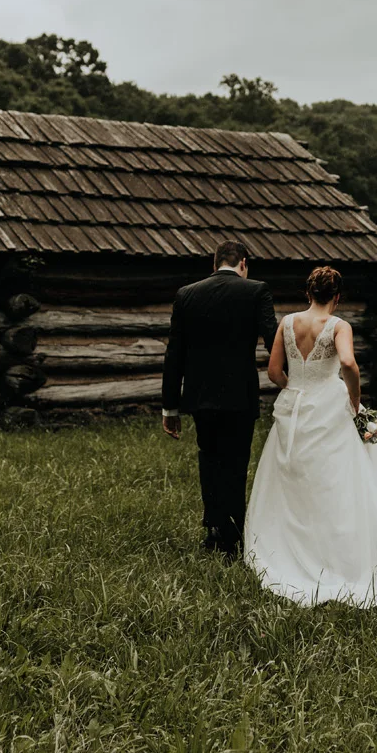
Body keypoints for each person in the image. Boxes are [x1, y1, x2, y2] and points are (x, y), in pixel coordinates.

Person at [243, 264, 377, 606]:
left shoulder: (287, 323)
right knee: (335, 483)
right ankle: (335, 555)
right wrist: (355, 399)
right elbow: (348, 363)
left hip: (294, 405)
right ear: (336, 297)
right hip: (329, 408)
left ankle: (286, 546)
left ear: (308, 293)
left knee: (292, 481)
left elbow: (274, 371)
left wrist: (295, 389)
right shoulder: (339, 326)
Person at [161, 239, 278, 558]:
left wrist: (170, 405)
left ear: (214, 265)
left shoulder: (187, 294)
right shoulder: (256, 291)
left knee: (209, 458)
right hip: (240, 395)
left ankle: (213, 529)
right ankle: (231, 538)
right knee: (236, 463)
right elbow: (273, 340)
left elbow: (175, 353)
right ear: (243, 263)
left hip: (200, 396)